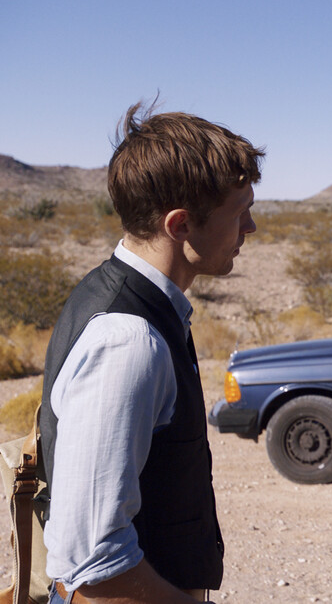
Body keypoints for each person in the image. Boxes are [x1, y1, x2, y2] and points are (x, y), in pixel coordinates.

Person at [38, 102, 263, 603]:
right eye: (240, 212)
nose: (250, 228)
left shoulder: (129, 302)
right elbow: (91, 562)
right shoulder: (127, 341)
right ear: (180, 225)